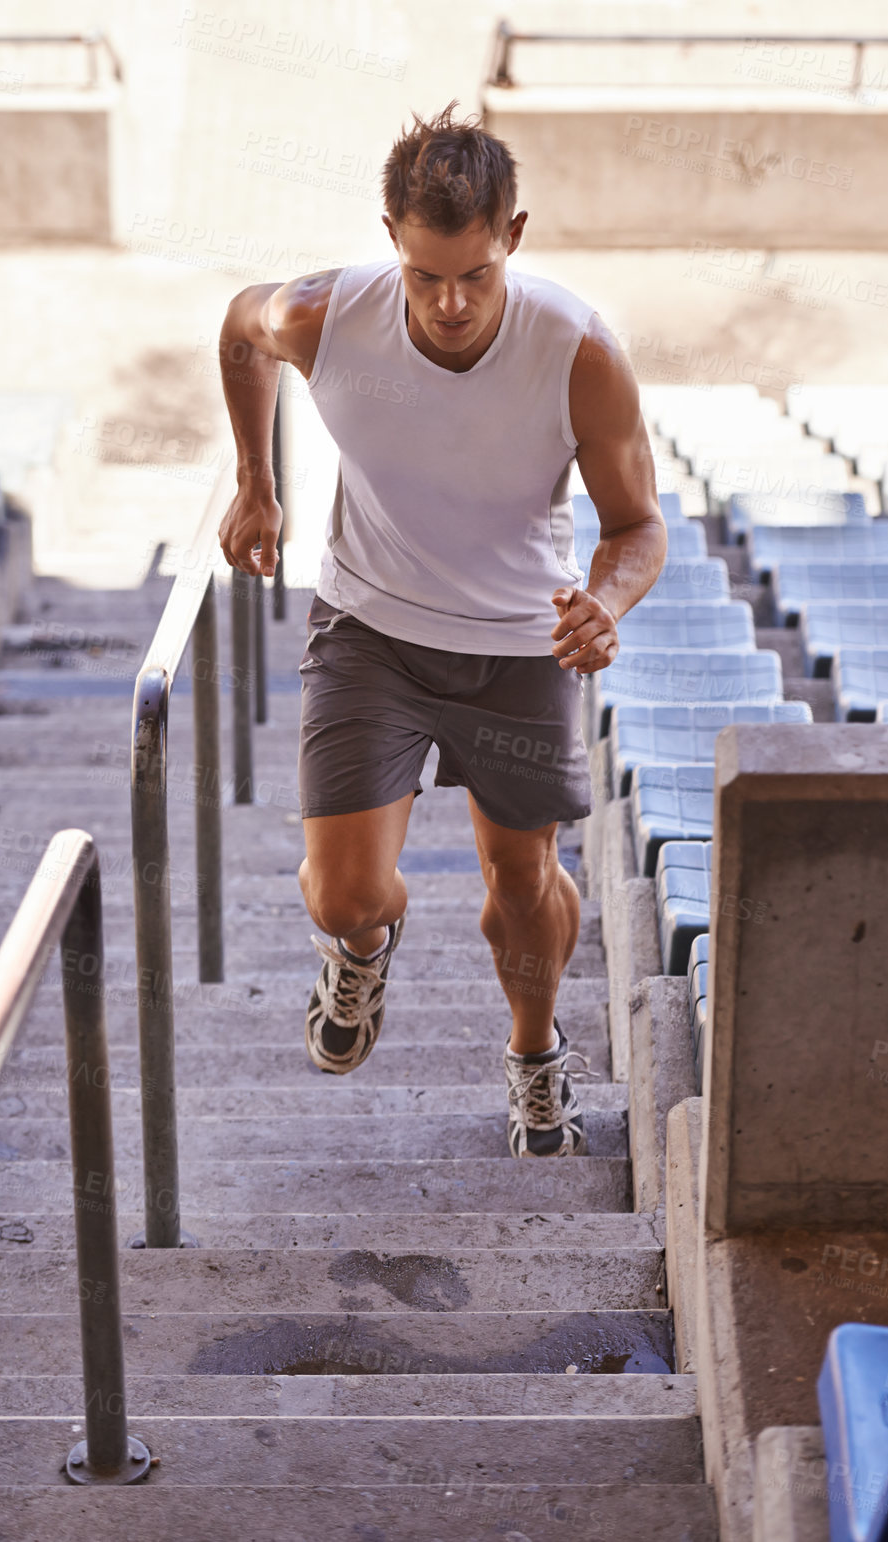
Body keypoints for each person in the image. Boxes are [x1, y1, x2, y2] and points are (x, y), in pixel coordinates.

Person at [217, 100, 666, 1156]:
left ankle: (534, 1054)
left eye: (475, 274)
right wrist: (255, 485)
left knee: (522, 880)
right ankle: (362, 952)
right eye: (426, 277)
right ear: (392, 243)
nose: (452, 302)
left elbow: (639, 527)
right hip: (372, 624)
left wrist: (606, 602)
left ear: (513, 235)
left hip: (521, 640)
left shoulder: (581, 352)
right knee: (345, 891)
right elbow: (239, 329)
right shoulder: (325, 314)